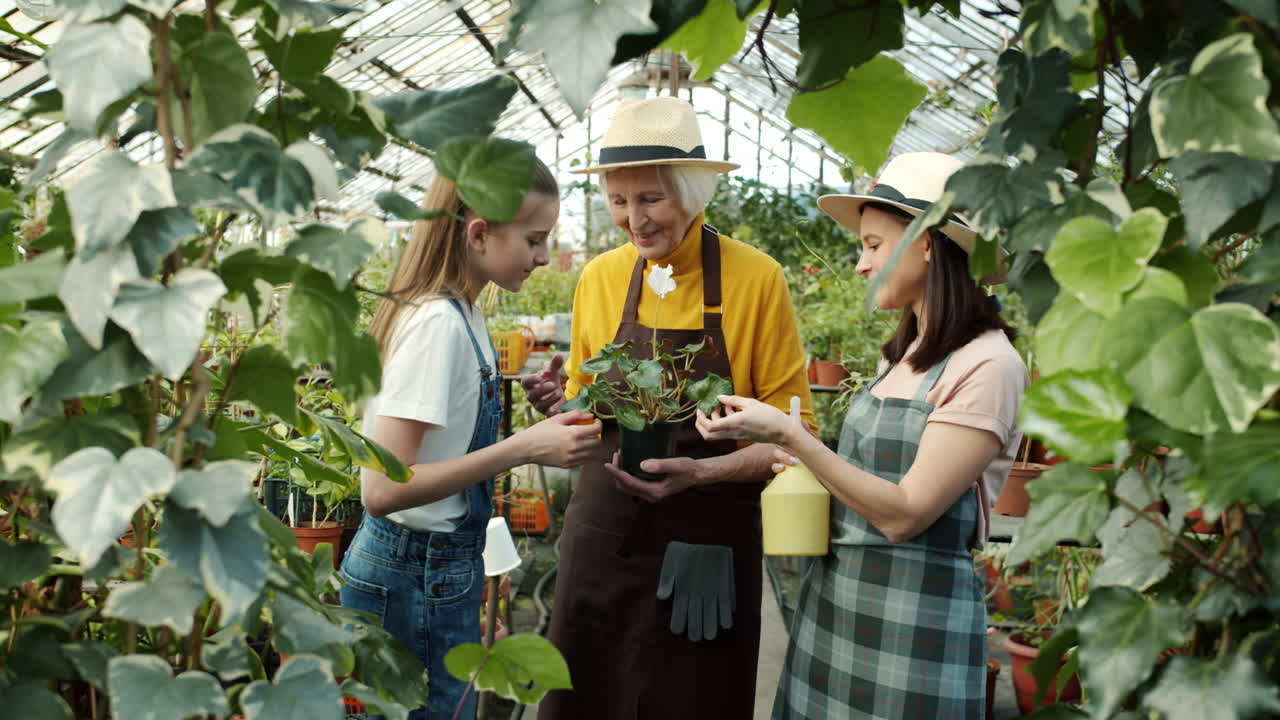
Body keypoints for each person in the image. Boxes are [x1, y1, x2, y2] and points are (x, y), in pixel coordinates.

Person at [695, 151, 1029, 719]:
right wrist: (794, 464)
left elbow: (904, 514)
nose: (860, 264)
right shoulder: (902, 358)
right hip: (835, 608)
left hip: (913, 626)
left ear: (927, 242)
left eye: (873, 245)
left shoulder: (988, 365)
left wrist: (794, 436)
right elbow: (865, 481)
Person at [523, 96, 815, 719]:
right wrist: (562, 406)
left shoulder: (755, 279)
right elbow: (588, 405)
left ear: (693, 190)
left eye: (651, 199)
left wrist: (706, 472)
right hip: (603, 539)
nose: (634, 221)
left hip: (707, 541)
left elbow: (797, 438)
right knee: (584, 700)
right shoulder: (600, 277)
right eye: (619, 201)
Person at [340, 156, 603, 720]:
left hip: (437, 572)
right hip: (411, 576)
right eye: (535, 240)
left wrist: (474, 591)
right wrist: (527, 445)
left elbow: (445, 470)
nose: (542, 257)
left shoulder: (466, 314)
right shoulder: (438, 324)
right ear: (479, 234)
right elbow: (381, 489)